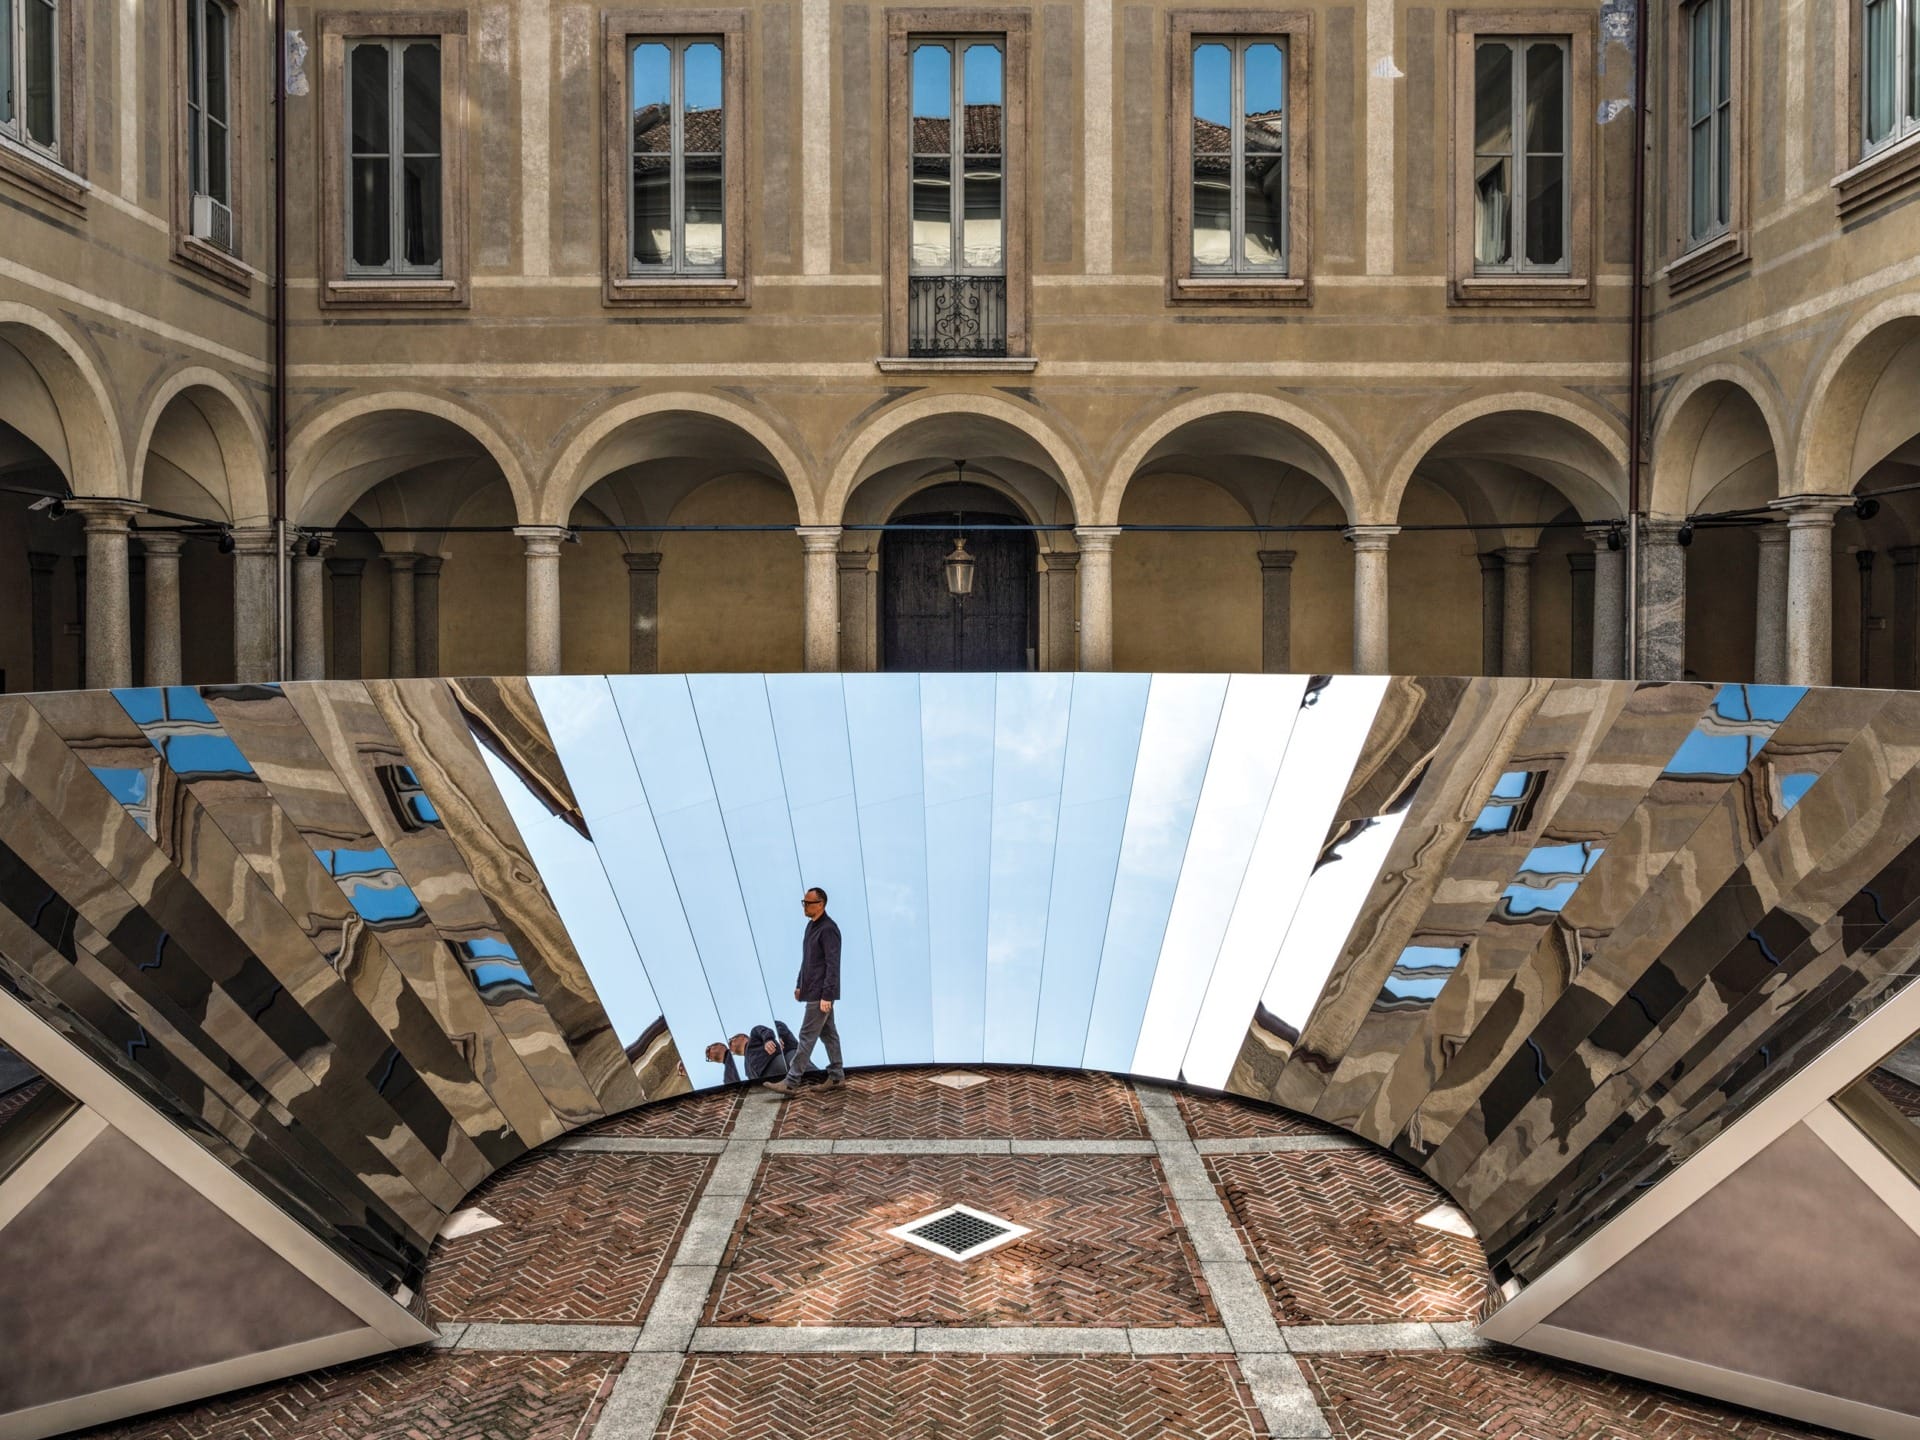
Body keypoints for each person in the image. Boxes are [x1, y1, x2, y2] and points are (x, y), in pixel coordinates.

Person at [766, 886, 845, 1097]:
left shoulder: (829, 929)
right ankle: (836, 1076)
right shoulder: (811, 927)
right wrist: (800, 984)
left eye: (808, 903)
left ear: (821, 904)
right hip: (813, 991)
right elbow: (808, 960)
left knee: (806, 1035)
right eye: (804, 902)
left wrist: (827, 996)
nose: (804, 906)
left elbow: (832, 964)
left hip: (821, 994)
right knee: (829, 1034)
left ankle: (791, 1082)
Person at [705, 1022, 797, 1085]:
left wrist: (768, 1040)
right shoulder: (746, 1068)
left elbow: (764, 1031)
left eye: (731, 1041)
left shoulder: (753, 1035)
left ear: (743, 1037)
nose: (730, 1046)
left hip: (776, 1063)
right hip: (768, 1082)